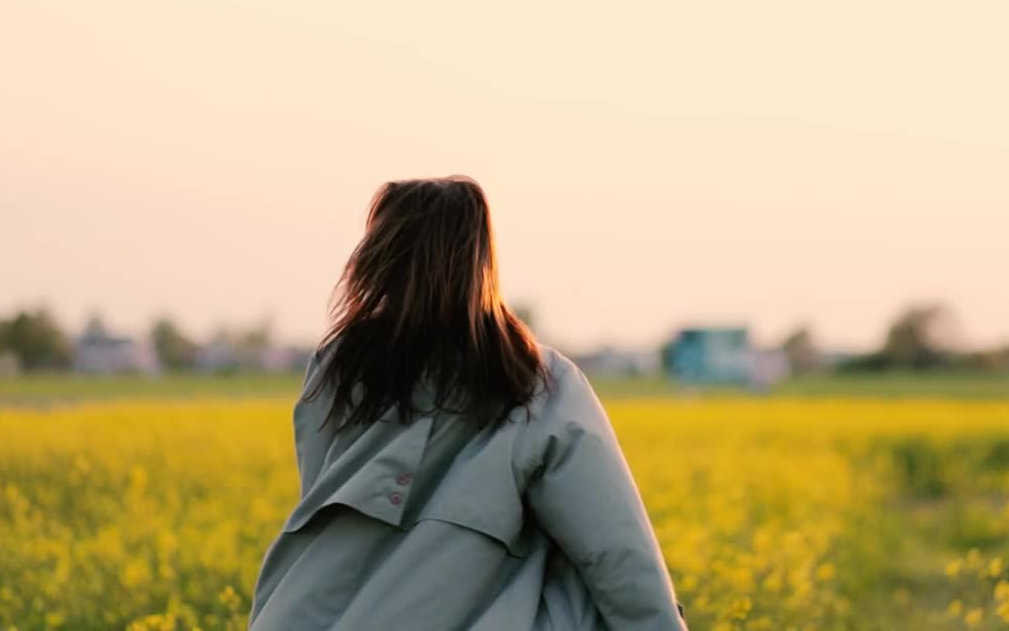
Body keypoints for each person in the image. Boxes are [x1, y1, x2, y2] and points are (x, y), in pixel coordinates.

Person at [249, 176, 686, 631]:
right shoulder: (539, 381)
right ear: (480, 260)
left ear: (379, 258)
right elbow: (615, 549)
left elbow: (319, 494)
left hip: (308, 614)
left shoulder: (336, 366)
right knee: (577, 570)